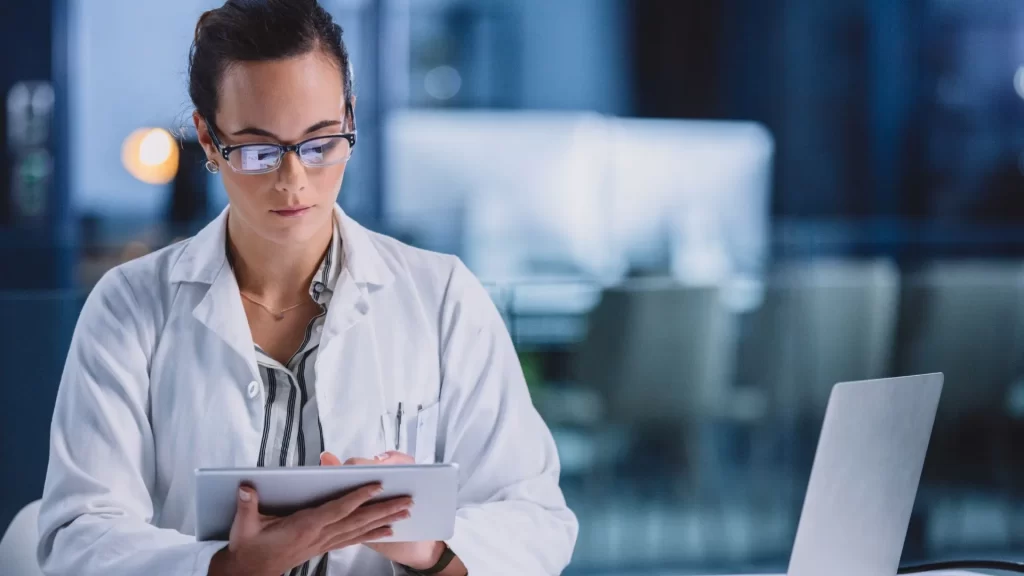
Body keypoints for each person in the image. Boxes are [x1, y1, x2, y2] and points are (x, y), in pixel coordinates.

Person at [36, 1, 578, 575]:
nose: (293, 180)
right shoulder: (129, 306)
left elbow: (534, 515)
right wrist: (226, 568)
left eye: (320, 143)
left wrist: (430, 549)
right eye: (259, 150)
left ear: (350, 116)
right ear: (208, 139)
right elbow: (77, 535)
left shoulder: (442, 296)